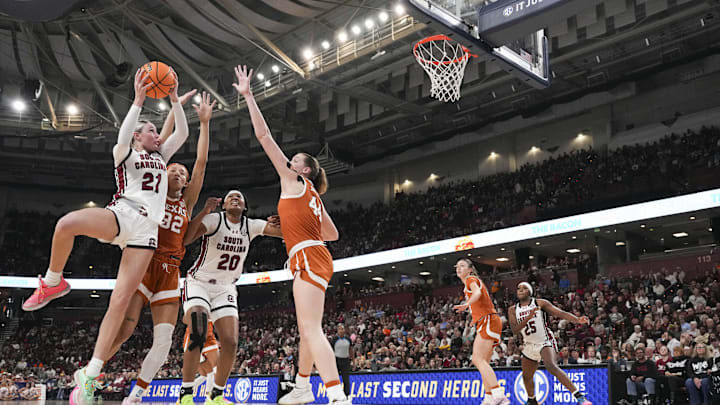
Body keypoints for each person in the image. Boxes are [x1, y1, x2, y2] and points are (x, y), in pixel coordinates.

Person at [23, 69, 189, 405]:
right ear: (139, 136)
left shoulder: (160, 158)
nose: (158, 135)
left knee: (120, 301)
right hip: (122, 215)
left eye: (157, 131)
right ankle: (54, 281)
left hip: (147, 233)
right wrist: (139, 100)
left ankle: (91, 372)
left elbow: (183, 132)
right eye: (152, 130)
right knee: (66, 223)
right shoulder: (126, 154)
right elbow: (123, 135)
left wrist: (173, 100)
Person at [233, 65, 350, 405]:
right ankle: (302, 386)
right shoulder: (314, 197)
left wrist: (249, 96)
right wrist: (293, 226)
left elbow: (264, 137)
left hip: (308, 256)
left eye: (295, 160)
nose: (289, 162)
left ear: (304, 170)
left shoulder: (294, 181)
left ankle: (336, 394)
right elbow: (332, 232)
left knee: (312, 330)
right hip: (316, 253)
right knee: (306, 328)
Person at [104, 90, 214, 405]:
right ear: (163, 173)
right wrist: (171, 104)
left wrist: (204, 123)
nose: (179, 173)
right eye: (174, 170)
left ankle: (136, 394)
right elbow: (162, 140)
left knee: (164, 340)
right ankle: (92, 371)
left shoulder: (188, 201)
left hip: (170, 270)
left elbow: (202, 162)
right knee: (125, 329)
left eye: (184, 173)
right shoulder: (155, 192)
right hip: (145, 260)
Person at [177, 189, 282, 405]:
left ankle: (216, 396)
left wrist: (286, 219)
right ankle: (186, 394)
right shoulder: (215, 220)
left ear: (244, 207)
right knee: (198, 329)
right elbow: (186, 239)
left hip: (226, 287)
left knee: (231, 341)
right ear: (224, 206)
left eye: (239, 197)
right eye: (230, 197)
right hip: (200, 282)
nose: (235, 198)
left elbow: (285, 233)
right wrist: (204, 210)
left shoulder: (251, 225)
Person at [508, 282, 592, 405]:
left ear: (530, 292)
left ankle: (579, 397)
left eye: (524, 288)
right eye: (518, 288)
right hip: (529, 344)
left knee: (551, 366)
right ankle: (532, 400)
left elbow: (561, 313)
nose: (520, 290)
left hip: (544, 341)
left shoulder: (540, 303)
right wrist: (529, 316)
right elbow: (515, 330)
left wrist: (577, 319)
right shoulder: (512, 309)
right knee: (526, 376)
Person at [452, 258, 508, 405]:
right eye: (457, 266)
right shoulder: (469, 283)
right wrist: (474, 317)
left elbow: (476, 294)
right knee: (484, 361)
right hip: (487, 320)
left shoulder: (471, 279)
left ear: (470, 269)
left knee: (477, 359)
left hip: (488, 320)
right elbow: (481, 302)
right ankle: (489, 396)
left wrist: (466, 304)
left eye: (462, 266)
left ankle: (498, 394)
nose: (458, 268)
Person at [331, 324, 353, 397]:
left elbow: (351, 350)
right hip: (336, 361)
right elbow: (330, 351)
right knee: (335, 380)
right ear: (337, 331)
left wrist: (353, 360)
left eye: (342, 329)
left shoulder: (348, 339)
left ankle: (347, 396)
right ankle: (335, 396)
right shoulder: (334, 340)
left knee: (346, 380)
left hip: (346, 361)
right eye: (340, 329)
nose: (341, 330)